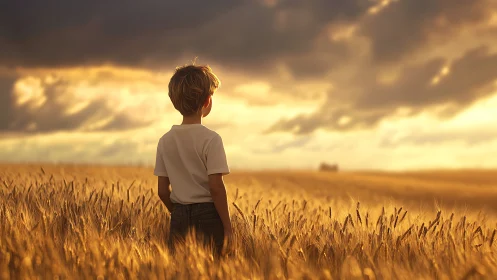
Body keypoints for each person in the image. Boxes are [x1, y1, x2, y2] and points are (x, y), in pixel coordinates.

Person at [154, 63, 232, 256]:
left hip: (178, 215)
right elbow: (216, 187)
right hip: (208, 216)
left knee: (179, 270)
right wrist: (228, 227)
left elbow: (163, 191)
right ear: (207, 101)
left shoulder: (165, 141)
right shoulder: (212, 139)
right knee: (212, 270)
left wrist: (179, 212)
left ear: (174, 101)